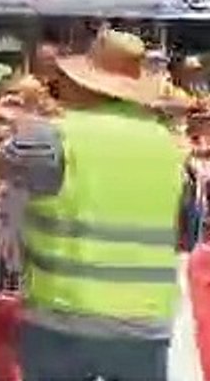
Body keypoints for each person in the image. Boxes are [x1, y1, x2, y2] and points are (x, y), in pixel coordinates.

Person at [15, 29, 183, 381]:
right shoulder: (167, 144)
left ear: (85, 84)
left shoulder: (54, 135)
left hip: (63, 317)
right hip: (145, 319)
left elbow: (3, 168)